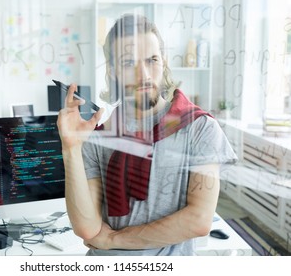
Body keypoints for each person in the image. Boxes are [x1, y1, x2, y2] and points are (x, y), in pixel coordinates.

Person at [57, 14, 237, 256]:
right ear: (113, 72)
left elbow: (199, 220)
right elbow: (87, 228)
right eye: (129, 62)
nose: (144, 74)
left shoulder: (199, 127)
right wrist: (70, 148)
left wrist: (113, 239)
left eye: (152, 59)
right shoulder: (97, 134)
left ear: (163, 62)